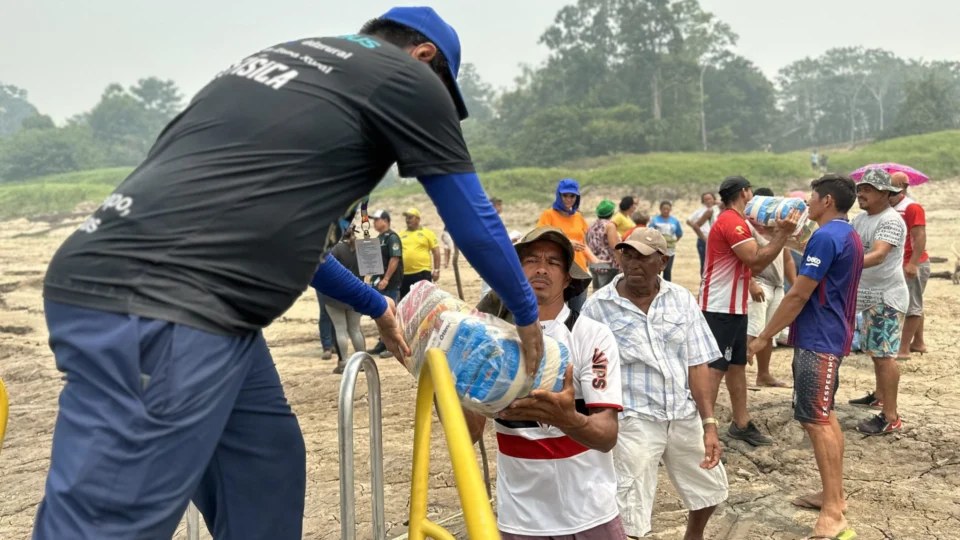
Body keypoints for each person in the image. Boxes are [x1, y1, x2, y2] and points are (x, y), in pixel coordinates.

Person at [33, 7, 546, 539]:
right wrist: (526, 316)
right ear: (425, 57)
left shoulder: (279, 64)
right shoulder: (411, 77)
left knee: (265, 461)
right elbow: (474, 219)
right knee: (106, 523)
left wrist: (379, 307)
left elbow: (309, 255)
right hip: (165, 301)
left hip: (183, 297)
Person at [468, 226, 626, 540]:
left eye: (553, 262)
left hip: (590, 514)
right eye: (530, 260)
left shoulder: (592, 336)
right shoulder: (492, 341)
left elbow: (607, 435)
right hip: (520, 519)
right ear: (514, 271)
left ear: (568, 278)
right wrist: (448, 376)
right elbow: (469, 433)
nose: (541, 268)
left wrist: (568, 420)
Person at [583, 228, 727, 540]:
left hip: (681, 412)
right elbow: (590, 371)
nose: (632, 262)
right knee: (630, 507)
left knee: (710, 487)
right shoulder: (598, 307)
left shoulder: (681, 300)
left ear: (662, 262)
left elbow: (698, 363)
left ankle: (694, 535)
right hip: (633, 418)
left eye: (642, 257)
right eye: (627, 255)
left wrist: (709, 423)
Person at [748, 175, 862, 540]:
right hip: (830, 333)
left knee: (815, 421)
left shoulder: (828, 236)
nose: (807, 203)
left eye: (812, 198)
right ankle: (834, 495)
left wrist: (764, 337)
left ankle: (833, 513)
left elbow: (797, 295)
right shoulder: (845, 233)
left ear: (827, 200)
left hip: (819, 337)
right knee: (825, 416)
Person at [699, 176, 800, 447]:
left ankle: (741, 423)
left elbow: (754, 262)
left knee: (735, 366)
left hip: (732, 305)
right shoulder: (732, 222)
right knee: (715, 368)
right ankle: (700, 429)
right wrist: (783, 234)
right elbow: (755, 260)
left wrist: (780, 235)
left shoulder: (737, 221)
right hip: (720, 306)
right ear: (745, 193)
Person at [849, 168, 907, 435]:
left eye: (868, 189)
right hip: (868, 295)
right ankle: (879, 396)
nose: (861, 193)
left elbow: (880, 254)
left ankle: (890, 416)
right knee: (876, 352)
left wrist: (841, 262)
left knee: (884, 356)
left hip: (886, 297)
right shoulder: (860, 219)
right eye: (860, 188)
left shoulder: (891, 221)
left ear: (886, 193)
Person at [745, 188, 797, 388]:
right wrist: (751, 282)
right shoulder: (748, 227)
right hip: (759, 283)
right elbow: (741, 258)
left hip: (776, 286)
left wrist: (794, 284)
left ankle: (763, 374)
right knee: (752, 331)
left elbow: (788, 258)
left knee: (769, 333)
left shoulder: (777, 228)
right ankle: (738, 373)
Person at [537, 178, 599, 312]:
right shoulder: (548, 215)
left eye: (572, 196)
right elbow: (540, 238)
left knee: (578, 312)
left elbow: (583, 245)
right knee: (556, 311)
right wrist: (566, 242)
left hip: (579, 272)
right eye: (565, 195)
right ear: (558, 195)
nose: (568, 199)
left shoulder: (578, 217)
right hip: (557, 270)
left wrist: (596, 261)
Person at [889, 172, 930, 360]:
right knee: (916, 302)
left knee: (911, 305)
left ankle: (903, 349)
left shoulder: (911, 207)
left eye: (892, 189)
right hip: (900, 263)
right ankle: (918, 342)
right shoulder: (890, 208)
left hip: (913, 263)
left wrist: (913, 263)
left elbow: (920, 236)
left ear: (903, 187)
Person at [324, 227, 369, 374]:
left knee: (340, 330)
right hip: (356, 293)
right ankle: (362, 361)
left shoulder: (334, 249)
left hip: (335, 296)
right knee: (355, 329)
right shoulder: (361, 247)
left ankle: (343, 362)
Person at [366, 210, 404, 359]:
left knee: (391, 314)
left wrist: (386, 278)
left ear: (386, 220)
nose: (374, 223)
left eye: (377, 220)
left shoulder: (392, 237)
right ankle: (382, 342)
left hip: (390, 282)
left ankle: (394, 344)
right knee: (379, 313)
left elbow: (394, 259)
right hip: (378, 281)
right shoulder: (379, 238)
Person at [399, 207, 441, 298]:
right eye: (406, 218)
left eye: (410, 217)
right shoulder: (401, 235)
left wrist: (437, 270)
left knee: (423, 299)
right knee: (406, 300)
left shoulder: (427, 233)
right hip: (405, 274)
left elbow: (436, 251)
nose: (407, 220)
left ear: (418, 219)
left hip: (422, 272)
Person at [586, 199, 621, 291]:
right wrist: (622, 263)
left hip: (594, 265)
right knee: (607, 296)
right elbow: (615, 247)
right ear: (612, 212)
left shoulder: (591, 226)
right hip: (608, 265)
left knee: (597, 293)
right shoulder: (609, 226)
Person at [648, 200, 683, 282]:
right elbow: (649, 232)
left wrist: (672, 242)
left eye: (668, 209)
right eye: (664, 209)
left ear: (670, 210)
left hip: (670, 250)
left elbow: (679, 234)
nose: (666, 211)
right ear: (660, 209)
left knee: (667, 270)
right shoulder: (654, 220)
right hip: (657, 250)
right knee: (656, 269)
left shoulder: (675, 221)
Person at [479, 196, 506, 299]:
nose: (500, 207)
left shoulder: (495, 220)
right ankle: (484, 308)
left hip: (497, 254)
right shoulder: (487, 220)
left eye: (500, 205)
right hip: (490, 254)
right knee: (488, 284)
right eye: (497, 205)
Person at [688, 192, 719, 275]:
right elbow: (689, 220)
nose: (708, 201)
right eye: (705, 199)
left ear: (714, 199)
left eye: (709, 199)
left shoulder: (718, 209)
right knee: (704, 263)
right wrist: (701, 234)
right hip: (704, 239)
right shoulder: (701, 211)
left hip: (716, 240)